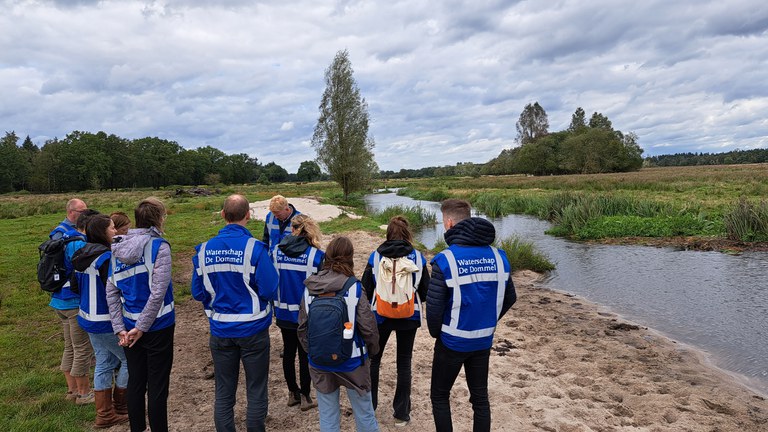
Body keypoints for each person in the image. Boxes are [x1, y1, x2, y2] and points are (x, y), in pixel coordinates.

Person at [427, 199, 517, 432]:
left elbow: (434, 309)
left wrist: (438, 333)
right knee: (480, 398)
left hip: (452, 341)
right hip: (483, 339)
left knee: (439, 396)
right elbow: (509, 298)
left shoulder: (445, 259)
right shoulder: (499, 257)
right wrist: (489, 320)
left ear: (448, 223)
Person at [191, 194, 279, 432]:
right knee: (256, 388)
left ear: (222, 215)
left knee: (224, 390)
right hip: (254, 329)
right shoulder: (256, 249)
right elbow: (270, 288)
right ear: (248, 216)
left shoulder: (203, 250)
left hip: (220, 329)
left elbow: (197, 292)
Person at [298, 236, 380, 432]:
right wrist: (372, 350)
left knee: (328, 415)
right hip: (352, 361)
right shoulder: (354, 287)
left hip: (320, 361)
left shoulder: (310, 289)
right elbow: (368, 327)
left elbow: (302, 327)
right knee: (365, 413)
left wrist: (314, 351)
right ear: (350, 257)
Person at [106, 198, 175, 432]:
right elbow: (158, 293)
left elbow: (111, 292)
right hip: (158, 326)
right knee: (157, 385)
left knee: (136, 381)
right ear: (159, 218)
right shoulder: (159, 247)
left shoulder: (117, 247)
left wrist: (121, 328)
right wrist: (143, 327)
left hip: (128, 326)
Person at [361, 216, 430, 427]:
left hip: (379, 316)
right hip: (409, 316)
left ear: (388, 234)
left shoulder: (375, 257)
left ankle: (370, 408)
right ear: (408, 234)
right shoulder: (418, 258)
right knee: (404, 363)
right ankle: (401, 414)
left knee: (374, 360)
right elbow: (426, 292)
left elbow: (366, 288)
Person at [72, 214, 129, 428]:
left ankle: (105, 414)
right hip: (106, 320)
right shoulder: (106, 258)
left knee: (104, 362)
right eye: (112, 228)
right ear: (102, 232)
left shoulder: (81, 255)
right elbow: (116, 289)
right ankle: (122, 406)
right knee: (129, 359)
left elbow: (75, 286)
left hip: (87, 317)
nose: (116, 231)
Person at [273, 214, 325, 411]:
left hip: (283, 312)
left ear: (293, 230)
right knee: (305, 355)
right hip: (307, 315)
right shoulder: (316, 255)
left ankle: (292, 393)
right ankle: (305, 396)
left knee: (288, 352)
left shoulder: (277, 252)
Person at [48, 200, 96, 405]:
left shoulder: (59, 234)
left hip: (58, 299)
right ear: (72, 212)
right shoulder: (76, 240)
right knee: (82, 348)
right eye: (82, 211)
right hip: (73, 301)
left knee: (70, 346)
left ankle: (71, 391)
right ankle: (84, 394)